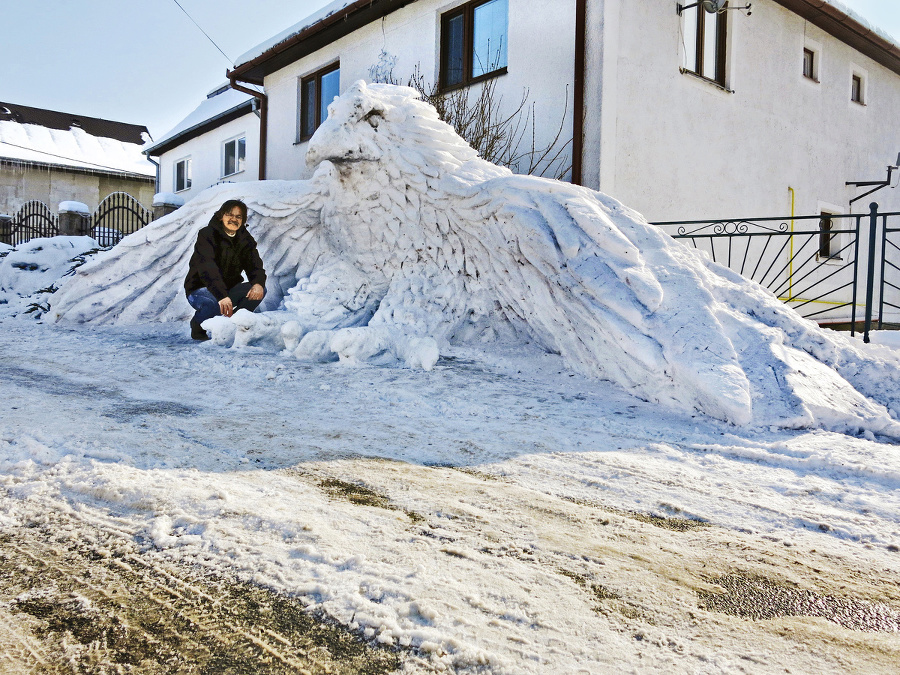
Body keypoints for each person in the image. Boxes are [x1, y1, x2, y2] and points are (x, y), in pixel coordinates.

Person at [184, 199, 267, 340]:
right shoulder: (207, 235)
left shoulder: (245, 240)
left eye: (238, 216)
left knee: (260, 291)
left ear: (243, 220)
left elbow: (255, 265)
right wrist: (221, 295)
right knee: (213, 304)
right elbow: (207, 268)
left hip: (228, 290)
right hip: (200, 289)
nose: (234, 219)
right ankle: (197, 326)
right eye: (230, 214)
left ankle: (233, 324)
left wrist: (258, 283)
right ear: (221, 216)